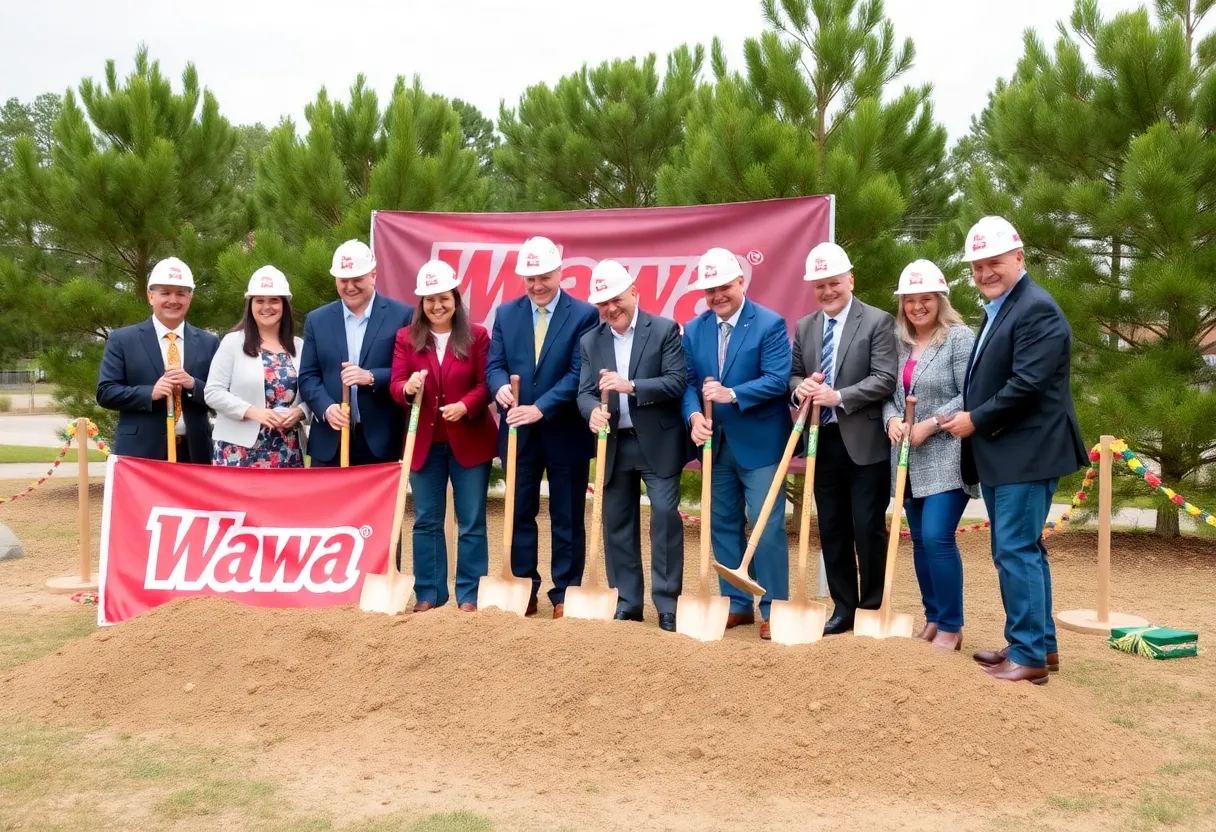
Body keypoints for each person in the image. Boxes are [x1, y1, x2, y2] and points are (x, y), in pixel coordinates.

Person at [940, 217, 1087, 684]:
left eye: (994, 263)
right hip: (1012, 452)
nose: (985, 273)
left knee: (1015, 551)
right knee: (1026, 550)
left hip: (1027, 452)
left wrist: (975, 419)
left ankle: (1028, 657)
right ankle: (1040, 645)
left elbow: (1026, 384)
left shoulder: (1035, 309)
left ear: (1019, 258)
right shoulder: (1006, 307)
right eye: (978, 266)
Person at [682, 247, 793, 640]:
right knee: (722, 524)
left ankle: (775, 607)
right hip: (716, 445)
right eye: (709, 290)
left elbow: (779, 379)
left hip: (761, 443)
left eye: (723, 287)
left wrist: (733, 393)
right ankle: (736, 603)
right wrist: (694, 416)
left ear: (741, 282)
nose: (717, 296)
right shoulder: (694, 330)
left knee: (767, 526)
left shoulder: (769, 324)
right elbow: (688, 385)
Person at [486, 236, 600, 618]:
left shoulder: (584, 314)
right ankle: (524, 587)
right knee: (519, 511)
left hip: (564, 429)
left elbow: (579, 373)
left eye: (544, 277)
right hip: (518, 433)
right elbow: (494, 363)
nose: (537, 285)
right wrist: (499, 385)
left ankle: (565, 593)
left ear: (560, 273)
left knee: (567, 515)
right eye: (530, 278)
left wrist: (541, 408)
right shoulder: (506, 314)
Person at [789, 242, 898, 635]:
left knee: (867, 527)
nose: (827, 292)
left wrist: (840, 396)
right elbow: (795, 373)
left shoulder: (878, 321)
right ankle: (843, 607)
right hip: (823, 442)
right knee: (832, 527)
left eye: (833, 283)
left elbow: (885, 378)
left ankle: (871, 606)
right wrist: (801, 389)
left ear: (850, 279)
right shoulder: (805, 326)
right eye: (819, 286)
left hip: (864, 442)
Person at [577, 260, 691, 632]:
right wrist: (593, 411)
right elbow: (583, 393)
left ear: (633, 293)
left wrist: (633, 386)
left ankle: (667, 603)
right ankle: (628, 602)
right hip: (614, 446)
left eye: (615, 299)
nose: (610, 308)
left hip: (656, 443)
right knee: (617, 525)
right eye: (602, 303)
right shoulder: (591, 341)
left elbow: (676, 381)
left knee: (664, 518)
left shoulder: (662, 330)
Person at [881, 260, 978, 652]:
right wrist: (891, 419)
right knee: (920, 541)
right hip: (907, 459)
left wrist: (932, 423)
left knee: (938, 538)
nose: (917, 307)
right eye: (910, 300)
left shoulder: (959, 338)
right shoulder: (898, 341)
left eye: (926, 299)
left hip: (947, 454)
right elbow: (890, 392)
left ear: (940, 300)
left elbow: (970, 392)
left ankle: (952, 625)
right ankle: (933, 617)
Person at [390, 260, 497, 613]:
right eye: (430, 300)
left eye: (444, 298)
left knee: (471, 521)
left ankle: (469, 594)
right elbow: (396, 384)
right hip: (425, 444)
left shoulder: (477, 335)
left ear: (456, 298)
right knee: (426, 520)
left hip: (470, 441)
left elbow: (485, 384)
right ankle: (430, 593)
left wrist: (466, 406)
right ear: (420, 303)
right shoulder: (406, 338)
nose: (438, 306)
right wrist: (408, 387)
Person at [297, 239, 414, 467]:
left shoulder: (402, 316)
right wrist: (327, 408)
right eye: (343, 280)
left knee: (377, 505)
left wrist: (371, 377)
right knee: (328, 504)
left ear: (373, 275)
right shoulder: (317, 320)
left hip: (379, 442)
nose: (350, 287)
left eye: (357, 279)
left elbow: (409, 373)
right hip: (330, 441)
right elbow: (308, 376)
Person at [96, 257, 220, 463]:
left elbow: (222, 397)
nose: (173, 300)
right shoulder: (123, 339)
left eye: (181, 293)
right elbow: (105, 392)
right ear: (150, 296)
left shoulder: (209, 342)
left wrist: (193, 385)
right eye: (165, 293)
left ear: (190, 298)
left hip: (195, 453)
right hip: (141, 453)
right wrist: (149, 393)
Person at [205, 266, 309, 468]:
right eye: (259, 301)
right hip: (238, 450)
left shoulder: (299, 346)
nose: (266, 307)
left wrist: (300, 412)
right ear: (250, 305)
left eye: (274, 300)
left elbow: (312, 391)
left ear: (284, 305)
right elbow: (213, 392)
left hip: (286, 450)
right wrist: (253, 412)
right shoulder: (233, 342)